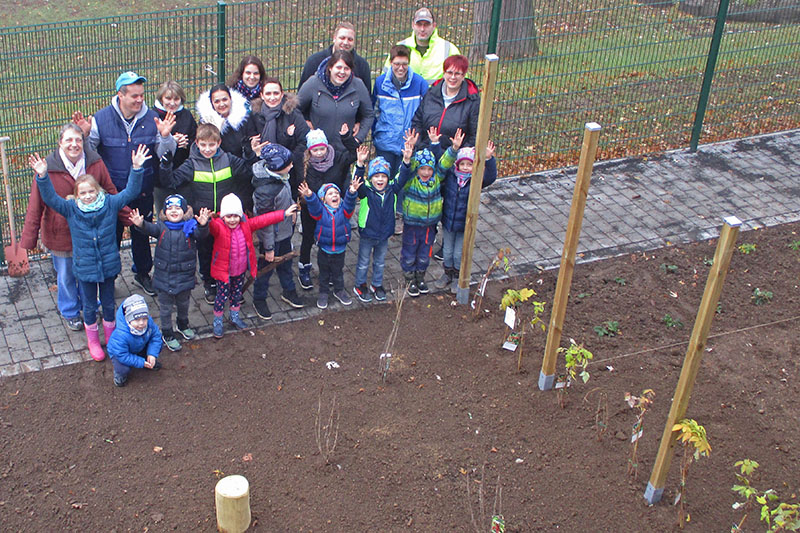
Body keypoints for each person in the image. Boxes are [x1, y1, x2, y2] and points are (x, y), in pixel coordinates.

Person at [28, 145, 150, 361]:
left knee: (109, 303)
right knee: (90, 306)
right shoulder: (71, 208)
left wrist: (137, 168)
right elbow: (50, 198)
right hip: (84, 268)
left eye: (91, 191)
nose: (87, 196)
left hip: (108, 266)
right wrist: (43, 175)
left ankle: (112, 339)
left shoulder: (110, 204)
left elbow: (130, 192)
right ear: (76, 195)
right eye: (82, 193)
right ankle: (93, 341)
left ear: (99, 191)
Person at [72, 71, 175, 297]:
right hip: (112, 192)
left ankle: (142, 273)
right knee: (111, 236)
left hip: (143, 189)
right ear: (120, 95)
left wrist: (167, 138)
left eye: (141, 95)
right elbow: (89, 156)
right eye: (134, 96)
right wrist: (86, 137)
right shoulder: (101, 119)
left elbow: (166, 154)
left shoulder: (153, 118)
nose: (140, 100)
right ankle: (109, 277)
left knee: (141, 231)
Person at [21, 123, 122, 331]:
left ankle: (91, 305)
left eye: (78, 140)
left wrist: (132, 218)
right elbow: (36, 203)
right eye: (68, 140)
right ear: (60, 143)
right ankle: (70, 310)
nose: (74, 145)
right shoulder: (47, 167)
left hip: (90, 233)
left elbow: (111, 192)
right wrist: (29, 239)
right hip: (61, 233)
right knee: (66, 274)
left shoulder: (95, 162)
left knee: (91, 270)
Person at [160, 123, 261, 305]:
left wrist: (248, 153)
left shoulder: (229, 159)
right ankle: (209, 282)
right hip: (204, 218)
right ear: (197, 143)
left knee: (228, 250)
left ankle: (230, 283)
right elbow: (171, 181)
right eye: (204, 145)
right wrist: (166, 165)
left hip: (225, 218)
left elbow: (248, 171)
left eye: (212, 145)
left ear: (219, 143)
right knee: (206, 251)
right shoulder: (191, 164)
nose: (207, 149)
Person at [208, 193, 298, 338]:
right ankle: (217, 321)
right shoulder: (218, 227)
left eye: (235, 216)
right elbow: (210, 227)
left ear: (240, 215)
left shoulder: (246, 225)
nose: (232, 220)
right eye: (229, 216)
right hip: (224, 272)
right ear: (223, 216)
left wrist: (283, 214)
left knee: (236, 294)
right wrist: (205, 221)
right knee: (221, 297)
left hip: (240, 270)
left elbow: (264, 220)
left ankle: (234, 316)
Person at [129, 196, 210, 351]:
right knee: (165, 309)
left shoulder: (191, 227)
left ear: (185, 211)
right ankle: (167, 333)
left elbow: (202, 235)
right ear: (165, 212)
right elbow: (148, 228)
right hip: (164, 276)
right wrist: (140, 224)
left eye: (178, 208)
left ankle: (182, 325)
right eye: (170, 209)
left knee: (184, 304)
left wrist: (203, 225)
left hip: (185, 276)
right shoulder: (161, 228)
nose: (174, 211)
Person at [373, 45, 429, 234]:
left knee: (404, 180)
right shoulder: (380, 83)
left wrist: (417, 138)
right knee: (385, 179)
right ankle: (383, 214)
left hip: (408, 143)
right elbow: (375, 110)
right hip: (385, 142)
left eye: (404, 64)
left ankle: (399, 215)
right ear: (390, 63)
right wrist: (377, 132)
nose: (400, 68)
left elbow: (424, 113)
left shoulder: (420, 84)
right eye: (397, 64)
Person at [296, 127, 358, 291]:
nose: (319, 153)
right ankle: (304, 268)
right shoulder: (304, 164)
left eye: (322, 148)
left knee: (331, 239)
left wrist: (346, 137)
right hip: (311, 208)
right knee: (308, 239)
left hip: (334, 209)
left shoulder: (337, 158)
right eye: (315, 150)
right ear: (310, 150)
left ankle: (330, 272)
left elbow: (354, 153)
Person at [435, 131, 497, 292]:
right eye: (462, 164)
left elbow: (490, 177)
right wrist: (453, 148)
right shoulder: (450, 177)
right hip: (448, 221)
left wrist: (489, 159)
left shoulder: (475, 181)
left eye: (469, 165)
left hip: (464, 223)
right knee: (447, 251)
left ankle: (457, 277)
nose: (465, 168)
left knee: (458, 254)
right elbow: (441, 167)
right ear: (457, 164)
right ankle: (447, 274)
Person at [351, 144, 414, 303]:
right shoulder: (365, 191)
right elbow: (356, 181)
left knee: (380, 262)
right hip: (368, 233)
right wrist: (359, 164)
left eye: (384, 176)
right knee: (364, 262)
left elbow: (403, 176)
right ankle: (360, 285)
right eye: (376, 176)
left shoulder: (392, 189)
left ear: (388, 178)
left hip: (385, 233)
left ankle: (376, 285)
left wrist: (406, 160)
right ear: (370, 178)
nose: (380, 179)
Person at [251, 144, 305, 320]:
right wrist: (269, 247)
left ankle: (288, 291)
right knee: (265, 269)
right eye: (287, 164)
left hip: (284, 231)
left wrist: (292, 214)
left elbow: (285, 197)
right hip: (273, 238)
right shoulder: (266, 191)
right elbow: (266, 224)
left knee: (286, 264)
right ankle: (259, 298)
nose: (291, 166)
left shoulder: (280, 176)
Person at [297, 49, 374, 165]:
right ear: (330, 67)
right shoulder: (313, 83)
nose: (342, 72)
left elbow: (368, 114)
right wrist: (306, 126)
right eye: (338, 67)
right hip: (317, 153)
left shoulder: (358, 86)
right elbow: (295, 109)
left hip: (344, 153)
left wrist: (358, 138)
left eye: (346, 69)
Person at [297, 176, 361, 310]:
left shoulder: (344, 211)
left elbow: (349, 203)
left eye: (336, 193)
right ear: (323, 199)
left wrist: (352, 192)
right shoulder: (320, 212)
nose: (334, 195)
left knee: (338, 273)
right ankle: (323, 293)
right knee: (324, 273)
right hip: (324, 249)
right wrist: (309, 195)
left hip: (340, 249)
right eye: (330, 193)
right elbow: (314, 205)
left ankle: (339, 291)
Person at [243, 76, 309, 196]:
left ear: (282, 94)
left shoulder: (293, 114)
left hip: (289, 171)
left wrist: (285, 162)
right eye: (268, 93)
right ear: (262, 95)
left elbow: (303, 141)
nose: (272, 97)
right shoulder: (254, 116)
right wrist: (254, 150)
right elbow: (248, 144)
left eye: (276, 93)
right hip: (262, 174)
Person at [398, 131, 446, 297]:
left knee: (425, 254)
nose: (426, 173)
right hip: (412, 224)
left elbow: (444, 163)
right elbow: (406, 170)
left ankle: (420, 277)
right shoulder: (411, 181)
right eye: (422, 169)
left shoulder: (436, 179)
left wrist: (445, 147)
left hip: (430, 225)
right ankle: (409, 279)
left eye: (429, 169)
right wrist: (409, 152)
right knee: (409, 252)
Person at [196, 83, 255, 213]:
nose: (221, 104)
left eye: (224, 99)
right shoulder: (206, 122)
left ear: (230, 99)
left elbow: (252, 141)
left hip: (242, 173)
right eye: (217, 101)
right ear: (211, 103)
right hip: (220, 175)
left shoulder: (244, 118)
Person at [411, 54, 480, 152]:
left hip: (454, 157)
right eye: (449, 72)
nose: (452, 77)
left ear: (464, 76)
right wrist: (420, 146)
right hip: (426, 154)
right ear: (444, 73)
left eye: (457, 74)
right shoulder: (431, 94)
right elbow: (417, 122)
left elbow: (475, 135)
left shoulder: (472, 101)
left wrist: (459, 155)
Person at [153, 80, 198, 208]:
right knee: (164, 213)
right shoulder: (153, 116)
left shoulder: (187, 116)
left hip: (184, 175)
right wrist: (171, 141)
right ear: (161, 98)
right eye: (168, 98)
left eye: (176, 99)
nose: (172, 103)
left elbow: (196, 141)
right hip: (160, 177)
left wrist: (186, 143)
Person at [391, 7, 461, 84]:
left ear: (434, 26)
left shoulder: (449, 49)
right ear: (413, 25)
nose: (422, 29)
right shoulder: (400, 47)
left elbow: (461, 81)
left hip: (437, 95)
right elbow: (385, 79)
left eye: (426, 25)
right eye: (419, 24)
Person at [107, 294, 163, 387]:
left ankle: (148, 360)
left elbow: (156, 337)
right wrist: (140, 362)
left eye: (144, 319)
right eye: (137, 319)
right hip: (120, 353)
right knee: (123, 368)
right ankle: (120, 374)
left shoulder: (149, 323)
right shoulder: (120, 335)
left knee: (158, 346)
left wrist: (152, 354)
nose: (141, 323)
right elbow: (122, 355)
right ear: (128, 319)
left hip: (139, 346)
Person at [297, 22, 371, 92]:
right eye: (342, 38)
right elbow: (301, 96)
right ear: (334, 38)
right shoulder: (314, 61)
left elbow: (367, 97)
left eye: (350, 39)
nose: (345, 42)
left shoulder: (362, 65)